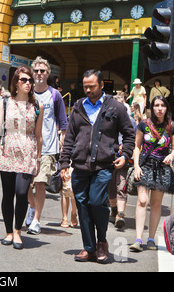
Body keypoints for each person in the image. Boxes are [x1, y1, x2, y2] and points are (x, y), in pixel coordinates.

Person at [59, 69, 135, 262]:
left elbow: (129, 134)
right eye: (85, 86)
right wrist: (64, 163)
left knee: (96, 202)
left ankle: (102, 242)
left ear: (101, 85)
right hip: (80, 166)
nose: (88, 90)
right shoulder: (78, 106)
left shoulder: (116, 107)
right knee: (83, 206)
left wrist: (125, 155)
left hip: (104, 166)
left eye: (92, 86)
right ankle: (89, 248)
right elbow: (69, 137)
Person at [0, 65, 44, 249]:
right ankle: (9, 232)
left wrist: (39, 159)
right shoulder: (5, 102)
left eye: (30, 80)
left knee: (22, 192)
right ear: (15, 82)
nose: (28, 83)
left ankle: (18, 230)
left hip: (28, 152)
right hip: (7, 150)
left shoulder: (38, 106)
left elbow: (39, 135)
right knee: (8, 194)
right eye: (23, 80)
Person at [129, 96, 174, 252]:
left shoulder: (173, 127)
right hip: (145, 165)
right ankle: (138, 239)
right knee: (142, 201)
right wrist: (136, 166)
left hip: (162, 168)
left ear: (166, 108)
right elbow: (136, 147)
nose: (159, 108)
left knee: (156, 204)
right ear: (152, 107)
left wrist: (171, 155)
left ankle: (151, 239)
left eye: (162, 105)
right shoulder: (144, 125)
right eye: (156, 105)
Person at [26, 56, 67, 235]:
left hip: (48, 147)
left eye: (43, 71)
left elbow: (63, 122)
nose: (39, 74)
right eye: (36, 71)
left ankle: (36, 220)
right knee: (25, 184)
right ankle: (32, 207)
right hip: (27, 146)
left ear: (48, 73)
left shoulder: (54, 94)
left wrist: (62, 143)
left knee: (40, 183)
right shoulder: (26, 92)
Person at [108, 95, 137, 229]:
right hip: (109, 157)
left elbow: (134, 140)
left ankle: (120, 214)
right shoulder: (107, 118)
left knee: (121, 186)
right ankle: (114, 210)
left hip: (124, 158)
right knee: (110, 187)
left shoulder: (130, 120)